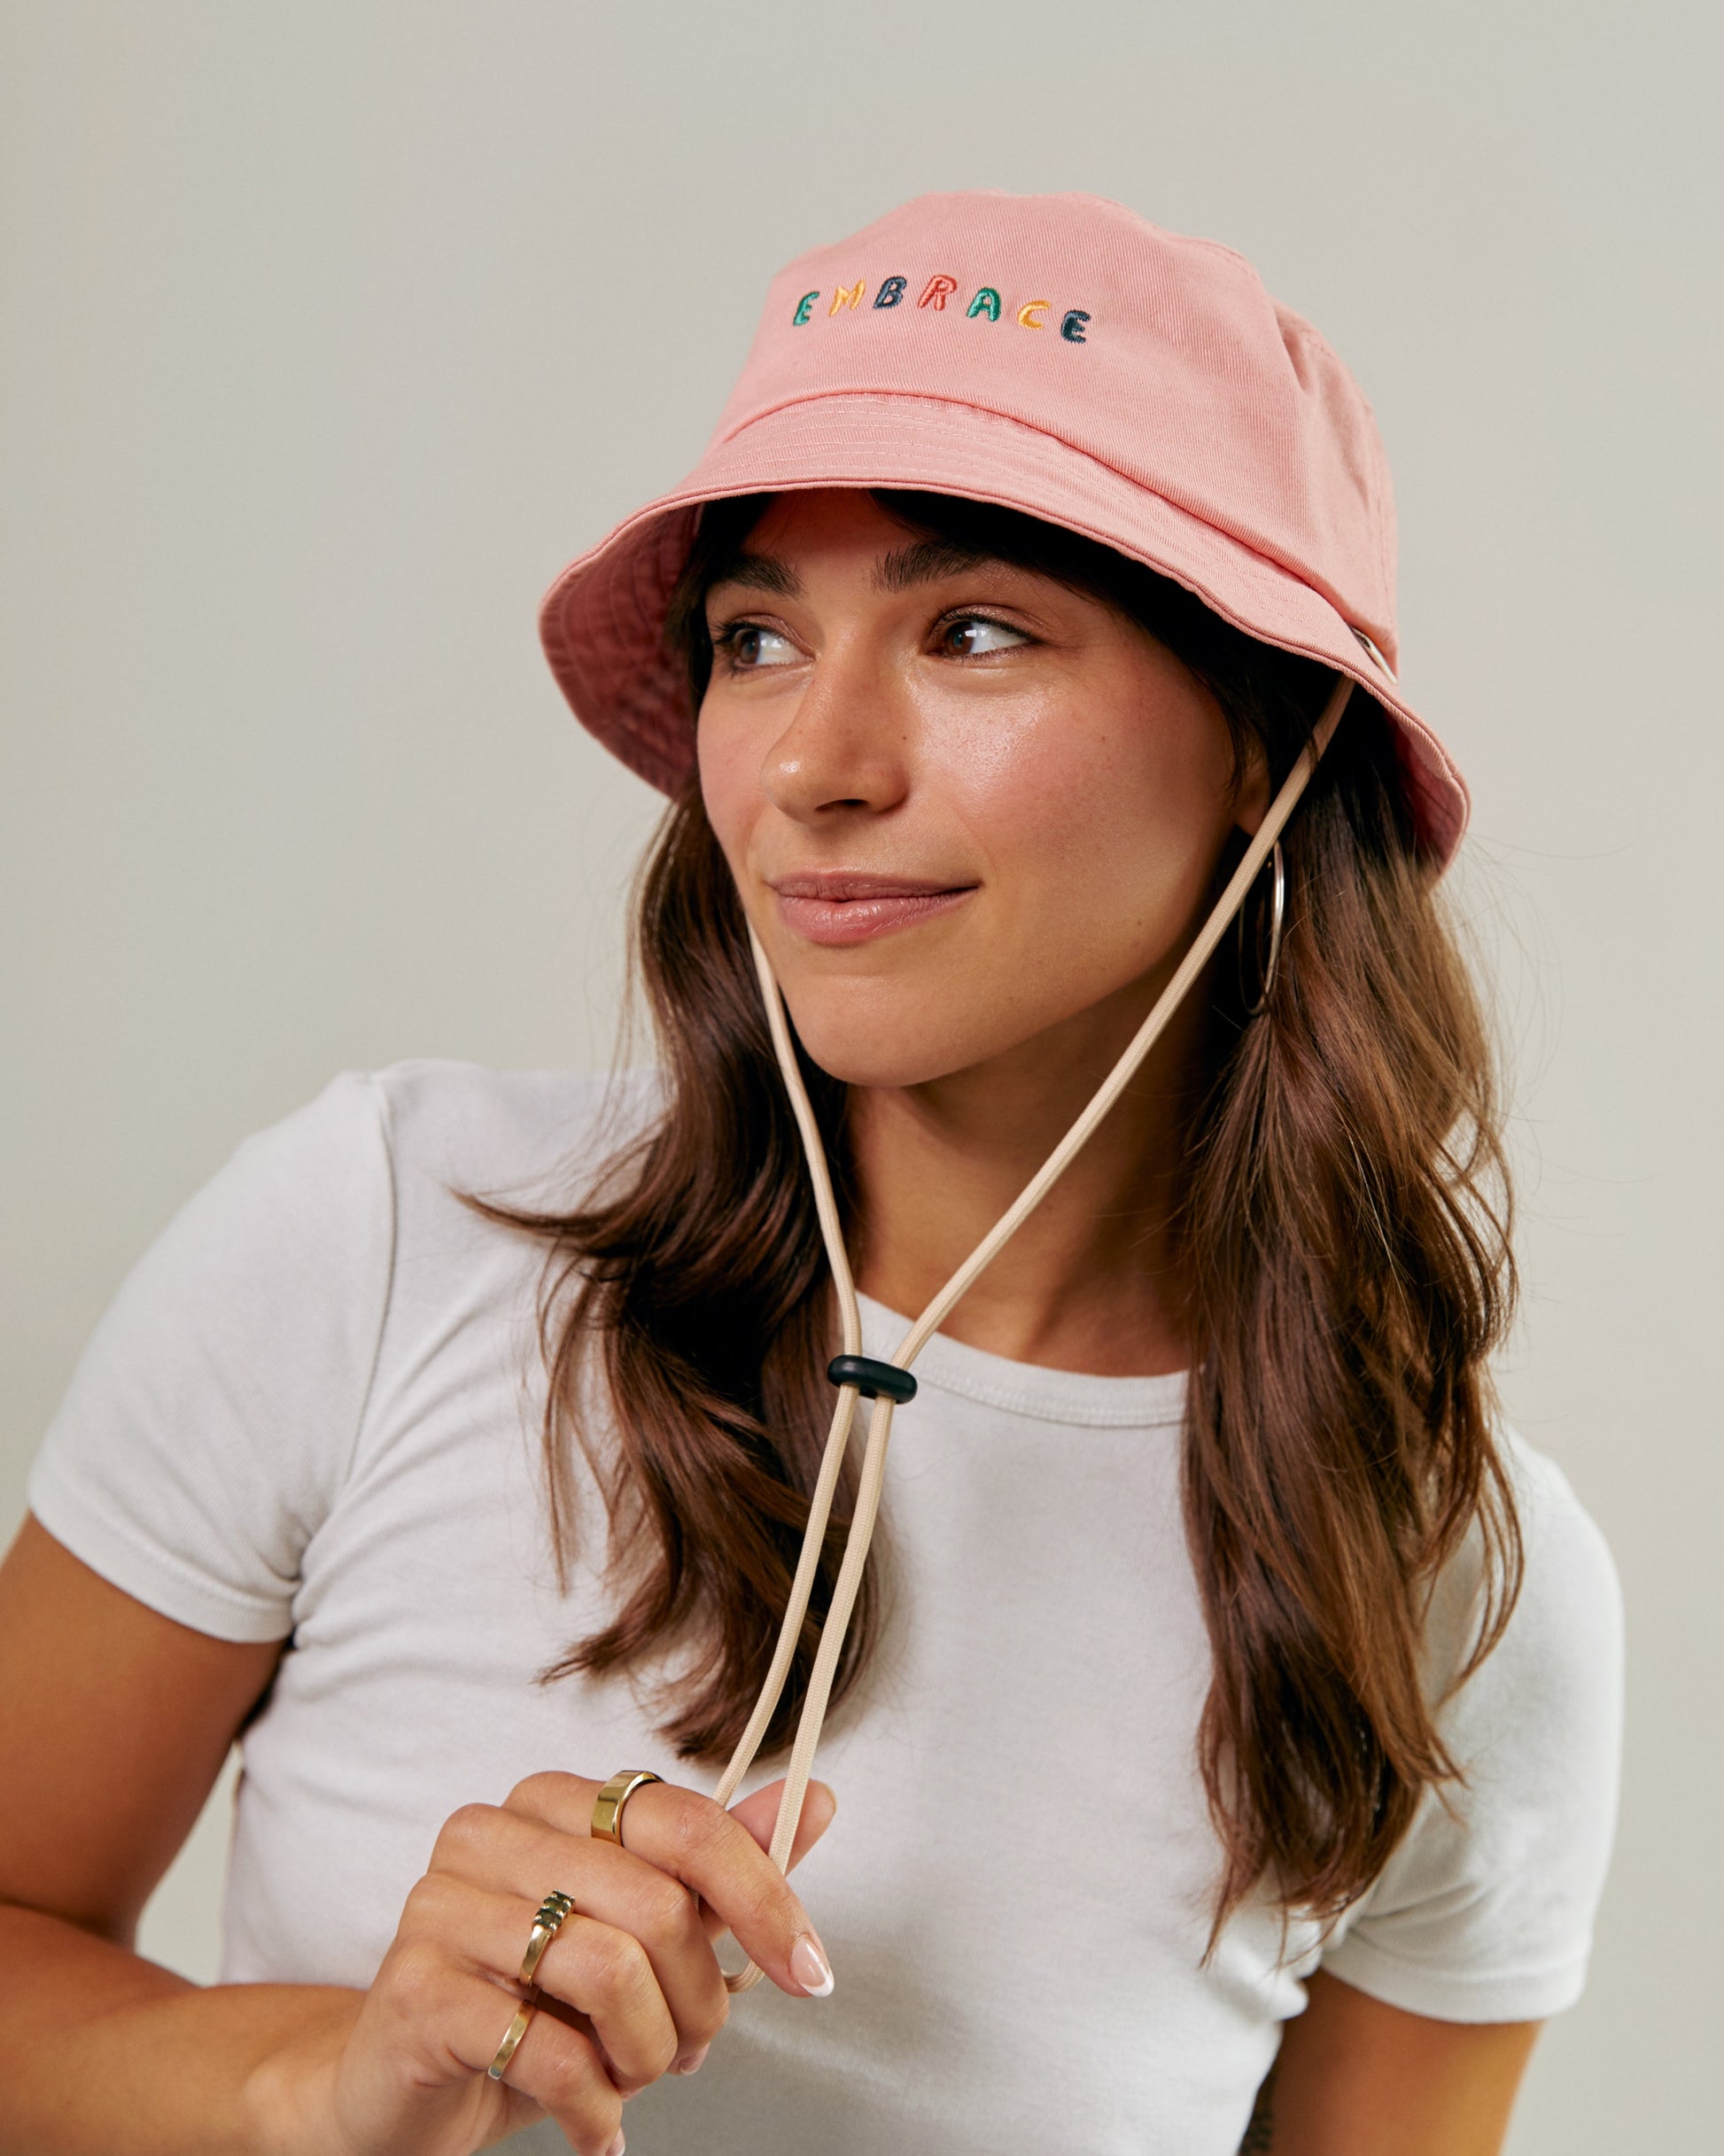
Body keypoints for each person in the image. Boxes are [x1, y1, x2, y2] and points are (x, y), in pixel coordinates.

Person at [0, 191, 1622, 2156]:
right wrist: (320, 2084)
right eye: (754, 637)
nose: (808, 764)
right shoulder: (383, 1233)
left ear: (1269, 752)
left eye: (975, 629)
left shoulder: (1452, 1573)